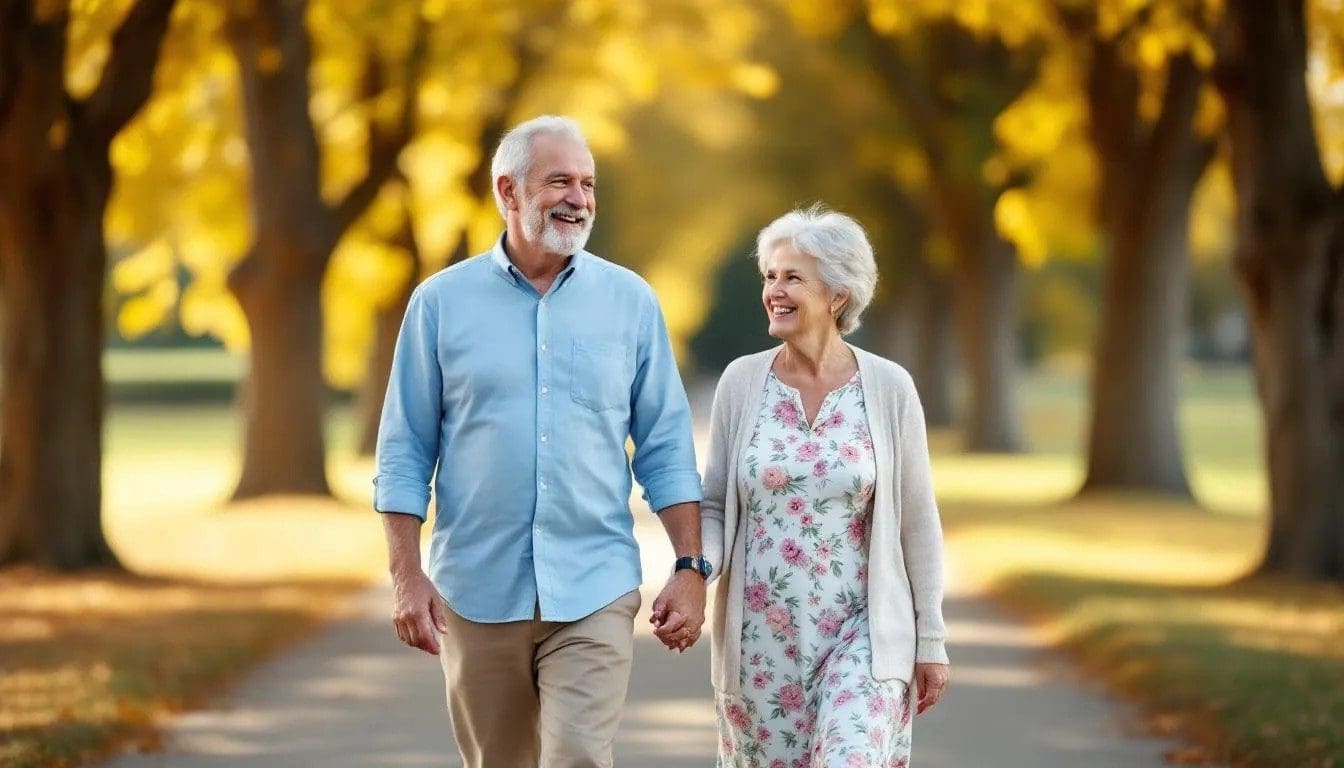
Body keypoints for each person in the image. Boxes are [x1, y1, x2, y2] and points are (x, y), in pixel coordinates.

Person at [372, 115, 711, 768]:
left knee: (578, 757)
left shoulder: (631, 303)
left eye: (588, 184)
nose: (579, 199)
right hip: (475, 592)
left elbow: (666, 448)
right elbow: (405, 451)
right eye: (560, 181)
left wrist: (690, 568)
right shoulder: (440, 303)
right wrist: (405, 576)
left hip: (595, 586)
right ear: (508, 191)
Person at [700, 206, 951, 766]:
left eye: (792, 277)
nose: (774, 291)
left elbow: (918, 521)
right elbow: (714, 504)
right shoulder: (742, 382)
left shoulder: (888, 388)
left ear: (838, 296)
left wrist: (930, 639)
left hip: (863, 635)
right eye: (770, 276)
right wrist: (696, 571)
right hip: (760, 645)